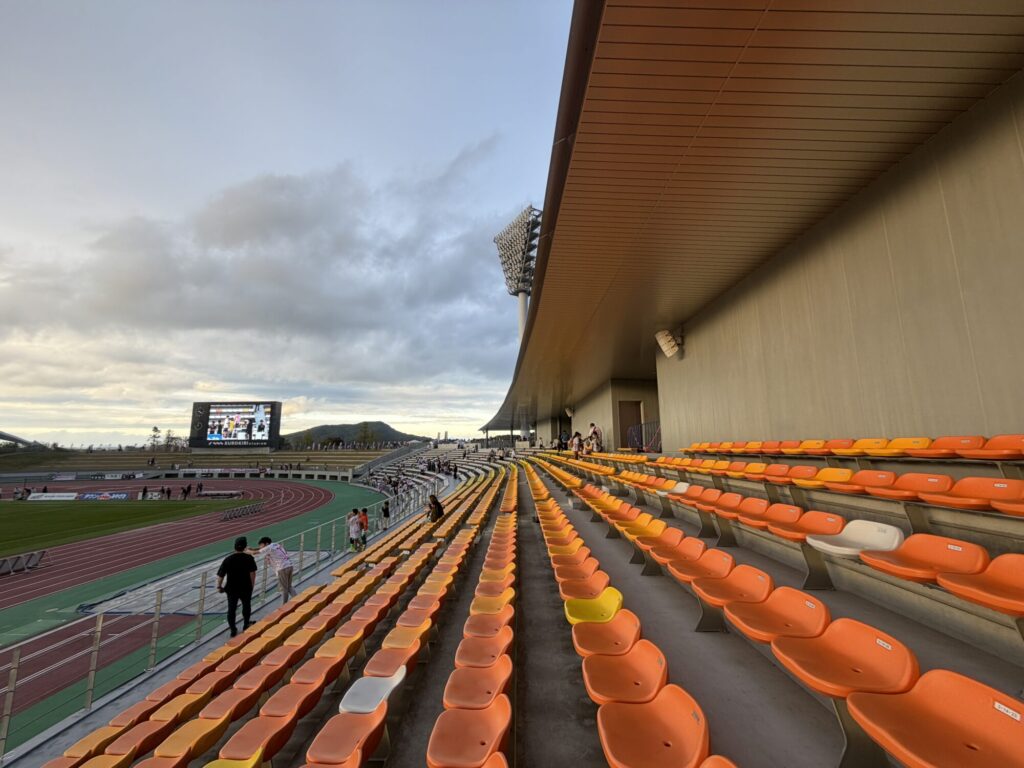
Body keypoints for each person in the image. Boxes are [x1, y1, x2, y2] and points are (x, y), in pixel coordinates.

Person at [216, 537, 257, 637]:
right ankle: (246, 624)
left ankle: (233, 629)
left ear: (235, 547)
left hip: (231, 588)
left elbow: (221, 575)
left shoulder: (228, 559)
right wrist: (251, 585)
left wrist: (219, 586)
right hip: (245, 586)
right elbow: (252, 573)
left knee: (231, 608)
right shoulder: (249, 558)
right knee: (246, 605)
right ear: (244, 547)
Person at [253, 536, 295, 604]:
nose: (260, 547)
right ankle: (298, 600)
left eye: (261, 545)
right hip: (289, 565)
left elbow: (254, 553)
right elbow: (260, 549)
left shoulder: (269, 547)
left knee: (285, 588)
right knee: (289, 586)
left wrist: (246, 550)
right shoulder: (275, 545)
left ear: (266, 544)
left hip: (282, 568)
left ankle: (285, 605)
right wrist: (252, 549)